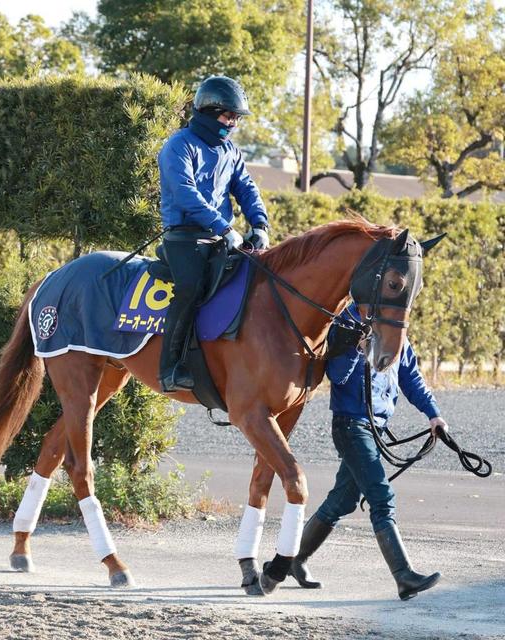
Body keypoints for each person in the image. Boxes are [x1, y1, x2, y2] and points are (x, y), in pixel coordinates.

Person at [291, 303, 448, 600]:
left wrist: (433, 415)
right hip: (351, 426)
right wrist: (355, 347)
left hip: (374, 429)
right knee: (381, 497)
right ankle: (403, 577)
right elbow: (336, 376)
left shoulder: (393, 325)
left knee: (342, 501)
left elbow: (410, 376)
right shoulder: (348, 321)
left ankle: (294, 558)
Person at [157, 75, 269, 393]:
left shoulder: (231, 151)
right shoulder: (178, 146)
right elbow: (185, 194)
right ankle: (170, 369)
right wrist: (223, 227)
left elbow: (247, 188)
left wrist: (260, 225)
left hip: (222, 237)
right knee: (190, 289)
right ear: (209, 111)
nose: (233, 122)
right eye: (228, 115)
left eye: (236, 117)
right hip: (185, 237)